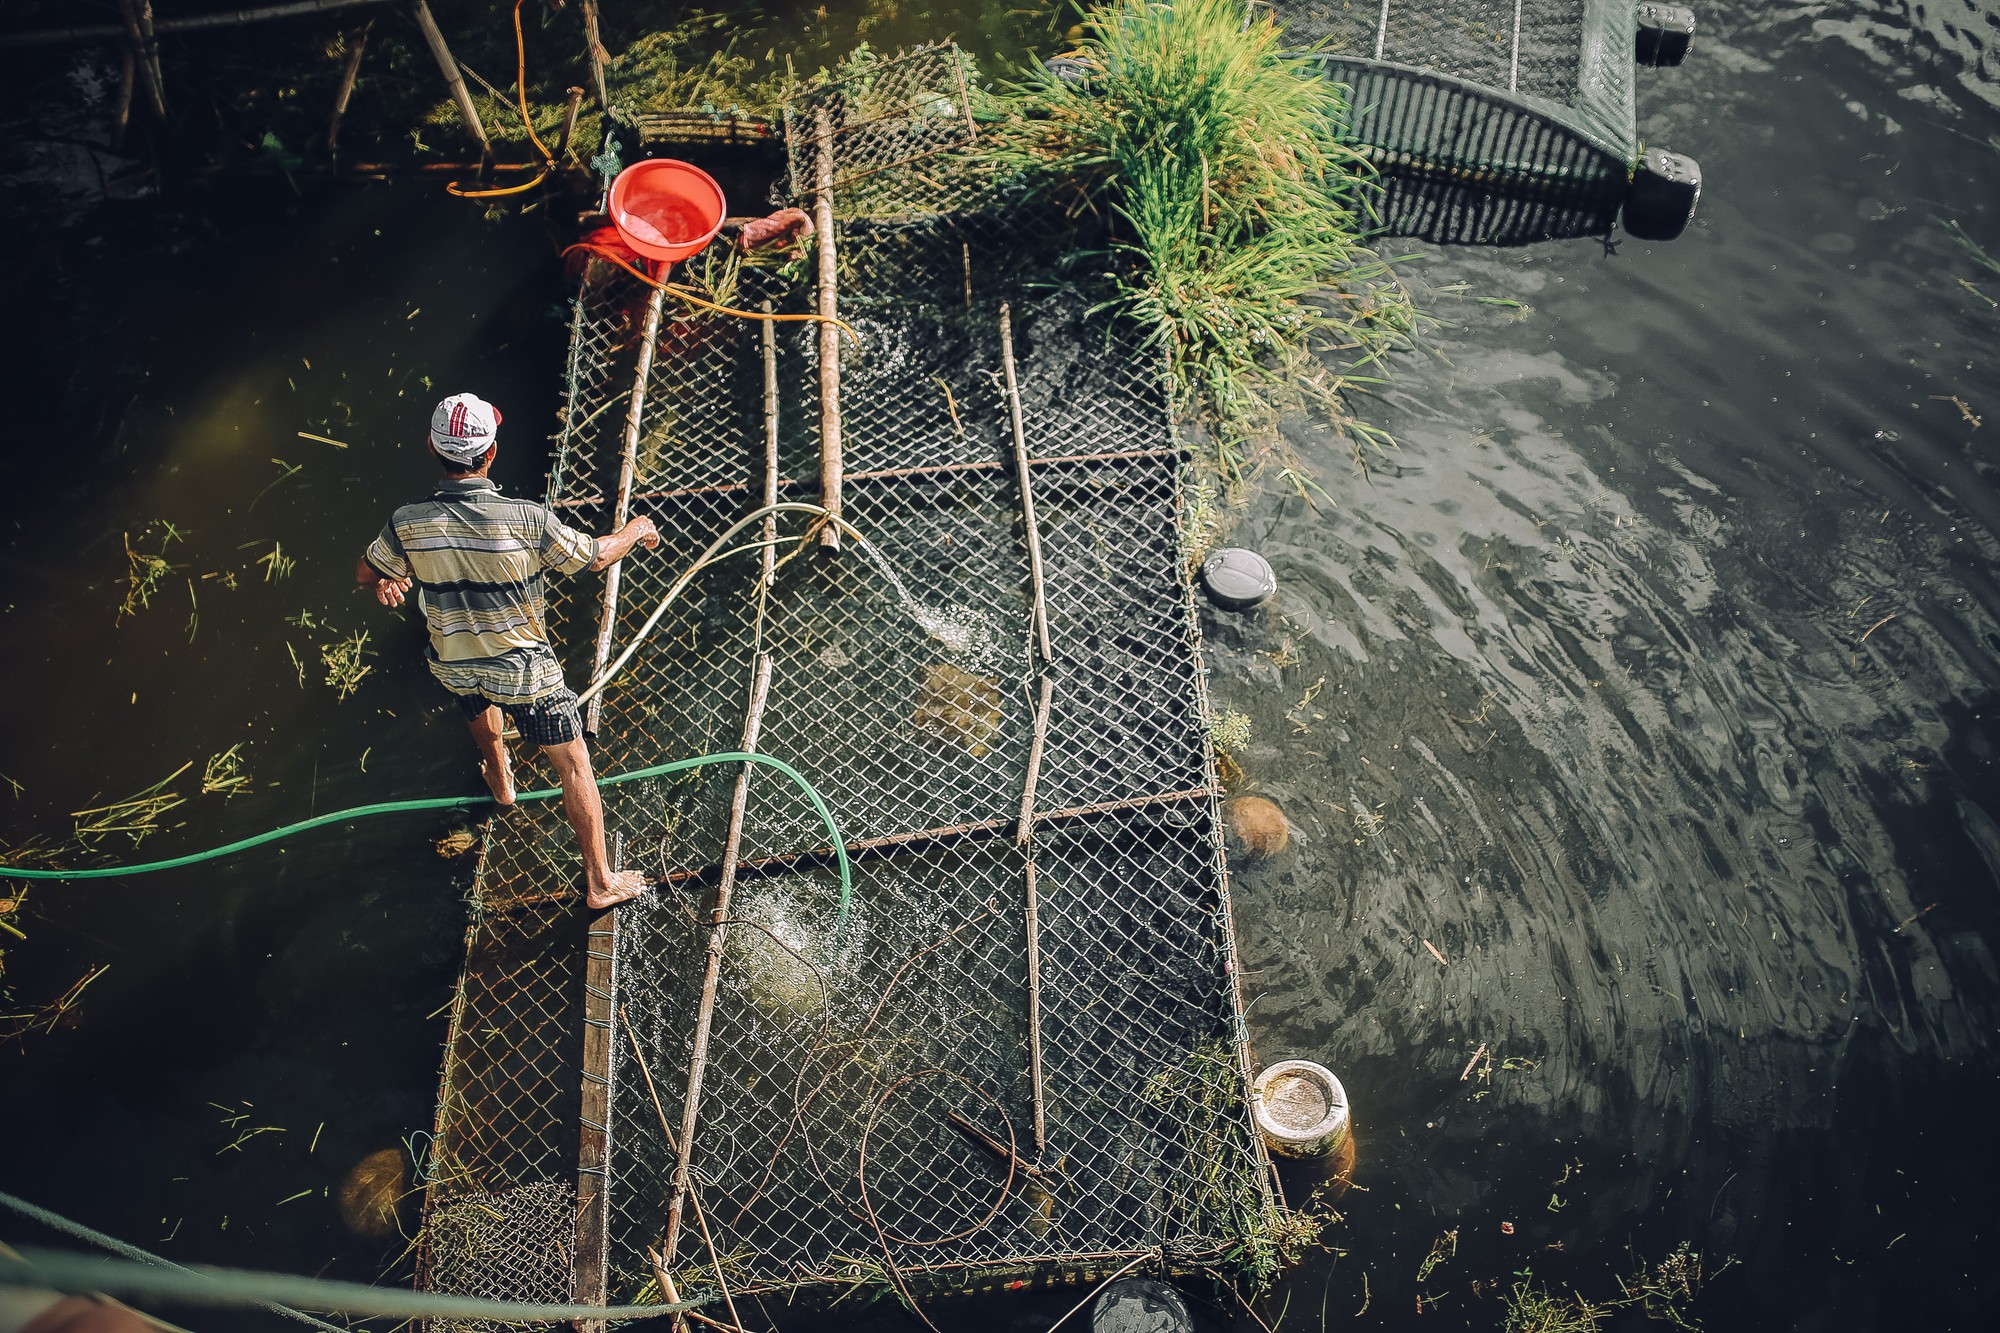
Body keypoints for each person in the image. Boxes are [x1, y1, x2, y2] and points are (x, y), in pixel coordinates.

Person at [356, 392, 659, 909]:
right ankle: (601, 883)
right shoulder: (526, 518)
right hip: (525, 675)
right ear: (490, 454)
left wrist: (390, 579)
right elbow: (593, 557)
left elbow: (367, 572)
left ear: (432, 447)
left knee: (475, 695)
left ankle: (500, 780)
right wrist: (636, 529)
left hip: (453, 662)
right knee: (575, 763)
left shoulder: (406, 521)